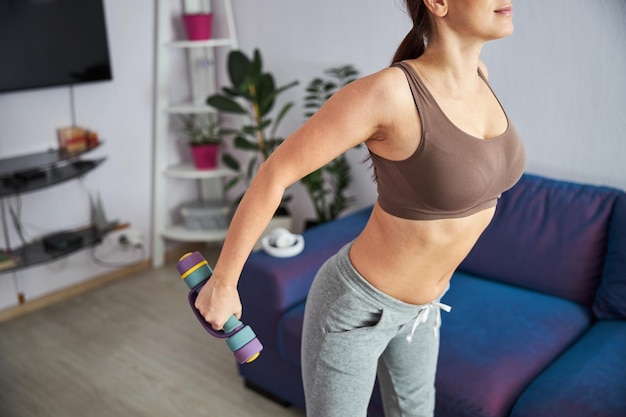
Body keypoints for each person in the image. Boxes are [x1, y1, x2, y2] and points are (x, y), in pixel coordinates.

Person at [194, 0, 526, 416]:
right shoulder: (387, 94)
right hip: (353, 309)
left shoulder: (480, 78)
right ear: (438, 3)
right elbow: (274, 174)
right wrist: (224, 281)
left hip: (423, 310)